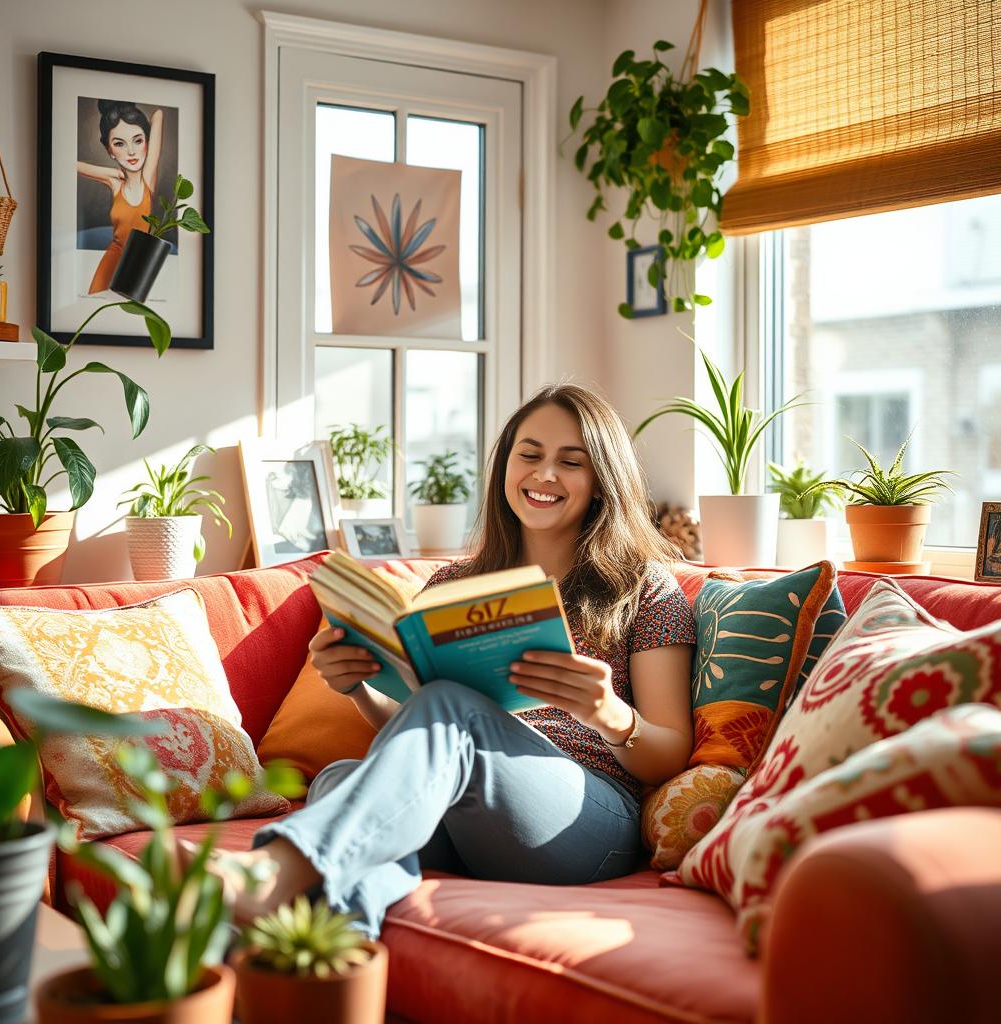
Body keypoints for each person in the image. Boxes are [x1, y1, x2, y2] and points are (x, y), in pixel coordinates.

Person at [188, 383, 696, 938]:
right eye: (529, 455)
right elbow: (421, 730)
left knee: (446, 708)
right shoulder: (456, 583)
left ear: (601, 481)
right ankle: (330, 965)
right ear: (505, 466)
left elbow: (669, 753)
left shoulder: (643, 587)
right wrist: (358, 688)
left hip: (584, 819)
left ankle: (272, 872)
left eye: (570, 463)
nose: (544, 475)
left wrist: (609, 715)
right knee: (338, 779)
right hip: (464, 818)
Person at [77, 100, 163, 294]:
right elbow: (68, 162)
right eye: (119, 144)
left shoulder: (147, 179)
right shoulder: (115, 183)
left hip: (138, 261)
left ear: (148, 143)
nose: (131, 151)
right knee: (93, 308)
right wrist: (110, 172)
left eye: (138, 140)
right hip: (113, 257)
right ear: (109, 150)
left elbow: (158, 114)